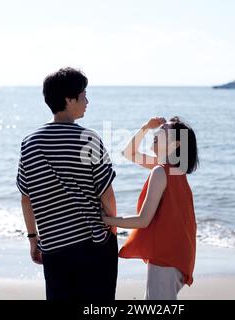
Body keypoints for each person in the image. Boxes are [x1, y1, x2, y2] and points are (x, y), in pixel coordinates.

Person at [16, 67, 118, 300]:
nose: (87, 101)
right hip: (93, 244)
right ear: (68, 99)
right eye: (83, 94)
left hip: (53, 246)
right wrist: (112, 225)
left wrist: (33, 240)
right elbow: (107, 195)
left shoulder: (29, 143)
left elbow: (26, 197)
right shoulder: (88, 138)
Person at [102, 116, 199, 300]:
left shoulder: (161, 171)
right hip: (177, 255)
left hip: (166, 256)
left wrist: (105, 219)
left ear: (176, 144)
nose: (156, 132)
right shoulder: (172, 170)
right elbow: (129, 153)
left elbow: (142, 220)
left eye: (163, 131)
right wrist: (145, 127)